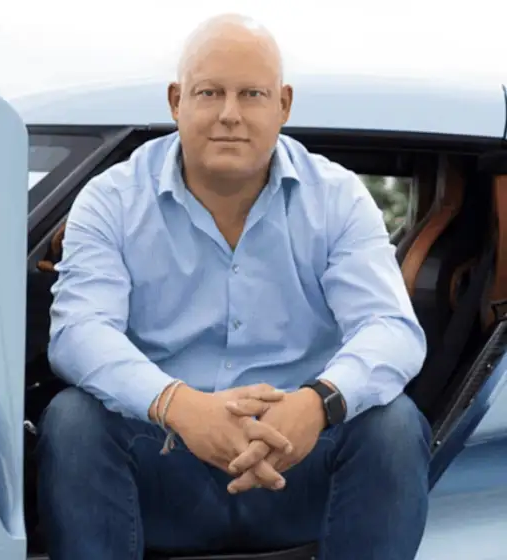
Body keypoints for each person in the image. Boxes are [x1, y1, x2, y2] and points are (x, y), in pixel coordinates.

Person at [36, 13, 432, 560]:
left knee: (393, 424)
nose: (230, 114)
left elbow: (392, 329)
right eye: (209, 92)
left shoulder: (337, 198)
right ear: (176, 100)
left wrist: (316, 404)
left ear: (283, 105)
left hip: (298, 460)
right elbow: (78, 333)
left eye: (251, 94)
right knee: (73, 421)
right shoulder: (112, 199)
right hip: (165, 461)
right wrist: (180, 407)